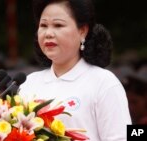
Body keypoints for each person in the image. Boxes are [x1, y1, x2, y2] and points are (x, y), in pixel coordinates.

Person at [19, 0, 132, 140]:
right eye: (43, 25)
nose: (48, 33)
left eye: (58, 25)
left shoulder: (103, 82)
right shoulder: (29, 83)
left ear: (82, 31)